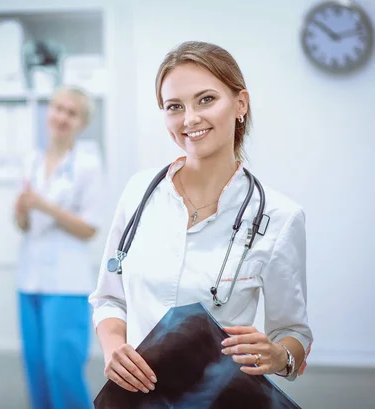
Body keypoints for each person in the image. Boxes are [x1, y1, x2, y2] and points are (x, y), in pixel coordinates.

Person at [89, 41, 313, 396]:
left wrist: (279, 356)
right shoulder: (138, 194)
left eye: (206, 99)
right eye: (174, 106)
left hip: (218, 399)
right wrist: (114, 346)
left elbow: (294, 332)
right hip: (137, 400)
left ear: (240, 104)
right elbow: (109, 299)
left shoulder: (278, 216)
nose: (189, 118)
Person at [14, 85, 104, 409]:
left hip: (67, 283)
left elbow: (90, 228)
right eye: (57, 108)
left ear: (81, 122)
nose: (62, 116)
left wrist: (43, 205)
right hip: (29, 280)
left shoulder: (88, 165)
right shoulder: (32, 161)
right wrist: (22, 211)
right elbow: (23, 225)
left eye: (72, 112)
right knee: (36, 370)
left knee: (61, 369)